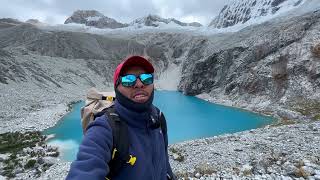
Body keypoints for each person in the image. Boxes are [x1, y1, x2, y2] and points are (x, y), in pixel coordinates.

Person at [66, 55, 175, 180]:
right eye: (128, 80)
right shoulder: (104, 128)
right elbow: (85, 169)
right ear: (116, 88)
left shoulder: (158, 117)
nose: (139, 84)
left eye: (146, 78)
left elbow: (164, 162)